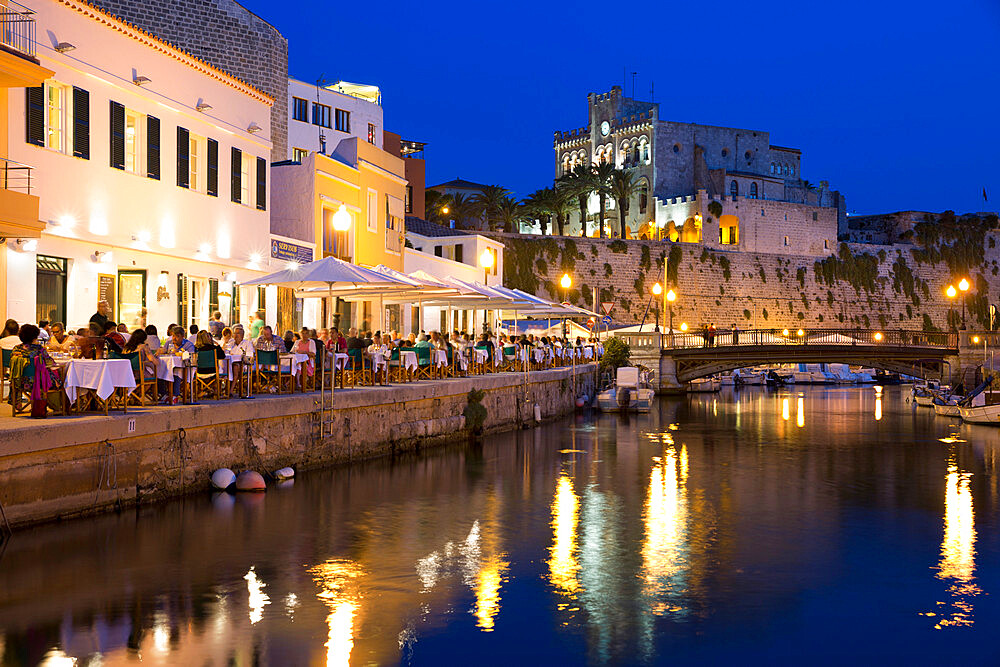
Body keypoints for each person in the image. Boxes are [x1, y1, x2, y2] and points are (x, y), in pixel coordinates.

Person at [9, 324, 58, 402]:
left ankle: (18, 404)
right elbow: (51, 363)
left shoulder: (16, 349)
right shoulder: (39, 350)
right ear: (35, 337)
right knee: (59, 379)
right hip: (38, 382)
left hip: (19, 382)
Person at [123, 329, 167, 399]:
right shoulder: (144, 347)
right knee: (151, 377)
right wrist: (157, 357)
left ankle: (132, 397)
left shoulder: (126, 348)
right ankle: (137, 396)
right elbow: (152, 360)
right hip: (139, 374)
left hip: (126, 374)